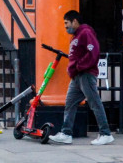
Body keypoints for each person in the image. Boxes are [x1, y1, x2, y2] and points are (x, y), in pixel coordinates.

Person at [49, 10, 114, 146]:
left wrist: (79, 66)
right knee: (70, 103)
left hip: (86, 74)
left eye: (67, 23)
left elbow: (94, 52)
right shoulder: (76, 36)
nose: (65, 27)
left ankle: (105, 133)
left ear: (75, 21)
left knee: (94, 103)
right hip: (77, 76)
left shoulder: (85, 33)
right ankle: (66, 133)